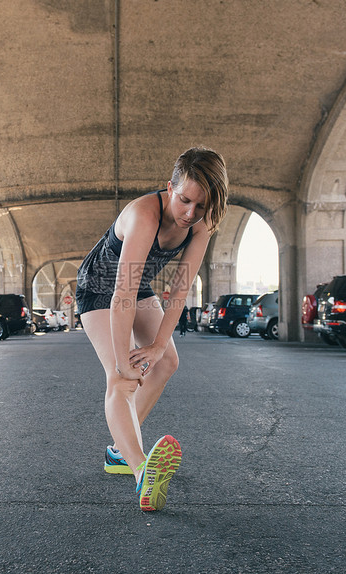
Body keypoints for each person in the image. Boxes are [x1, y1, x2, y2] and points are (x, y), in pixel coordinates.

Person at [76, 147, 229, 511]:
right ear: (169, 187)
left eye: (202, 207)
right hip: (101, 288)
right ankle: (141, 469)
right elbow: (121, 295)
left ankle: (118, 452)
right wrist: (122, 362)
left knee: (167, 362)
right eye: (185, 200)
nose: (190, 213)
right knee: (122, 380)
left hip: (137, 286)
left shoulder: (201, 224)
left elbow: (180, 288)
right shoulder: (145, 215)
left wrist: (160, 346)